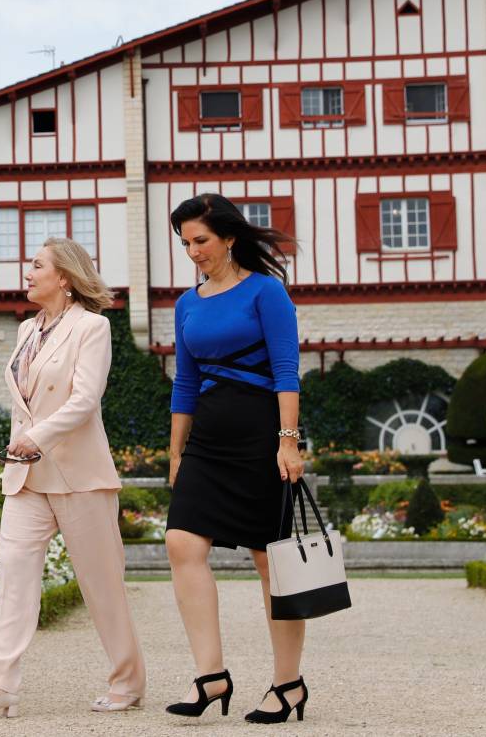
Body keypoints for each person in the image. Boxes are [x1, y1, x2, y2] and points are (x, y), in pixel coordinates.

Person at [0, 238, 145, 718]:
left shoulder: (93, 327)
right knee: (14, 582)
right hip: (25, 477)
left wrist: (37, 436)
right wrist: (28, 442)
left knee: (102, 587)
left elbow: (85, 399)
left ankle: (128, 682)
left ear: (64, 277)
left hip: (80, 475)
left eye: (37, 265)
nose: (27, 272)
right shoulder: (23, 331)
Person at [162, 193, 307, 723]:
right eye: (185, 243)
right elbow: (186, 382)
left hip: (260, 435)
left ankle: (287, 683)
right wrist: (176, 453)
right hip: (208, 440)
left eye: (200, 240)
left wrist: (287, 440)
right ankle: (211, 677)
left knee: (271, 560)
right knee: (181, 542)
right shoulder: (187, 303)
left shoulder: (266, 291)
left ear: (228, 237)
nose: (193, 251)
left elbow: (287, 370)